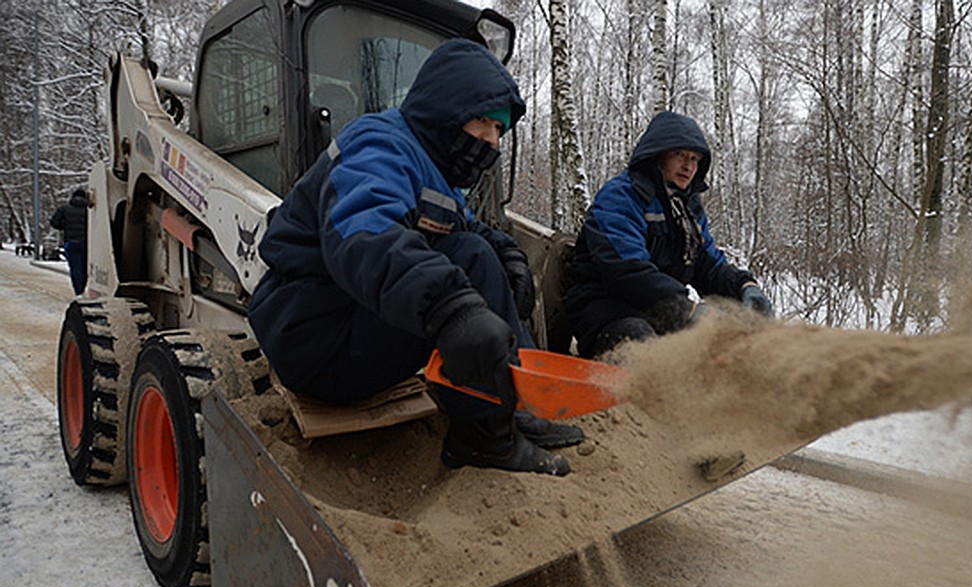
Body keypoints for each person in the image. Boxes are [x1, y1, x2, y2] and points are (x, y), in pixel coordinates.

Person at [248, 38, 581, 477]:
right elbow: (365, 233)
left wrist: (510, 257)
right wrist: (451, 307)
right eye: (484, 122)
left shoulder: (431, 169)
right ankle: (483, 438)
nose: (492, 142)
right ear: (448, 109)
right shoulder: (380, 146)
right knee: (470, 261)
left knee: (481, 253)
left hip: (343, 321)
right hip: (315, 336)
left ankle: (508, 405)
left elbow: (463, 228)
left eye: (500, 130)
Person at [565, 111, 773, 358]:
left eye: (695, 159)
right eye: (680, 155)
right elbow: (626, 270)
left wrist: (744, 286)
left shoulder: (688, 210)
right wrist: (687, 309)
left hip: (659, 314)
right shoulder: (622, 196)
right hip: (606, 313)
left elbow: (707, 266)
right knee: (647, 348)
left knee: (725, 351)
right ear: (658, 154)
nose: (688, 166)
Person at [50, 188, 89, 294]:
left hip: (71, 242)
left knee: (75, 268)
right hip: (87, 243)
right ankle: (86, 289)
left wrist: (65, 226)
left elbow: (54, 222)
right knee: (85, 268)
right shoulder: (89, 210)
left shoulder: (64, 209)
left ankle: (79, 291)